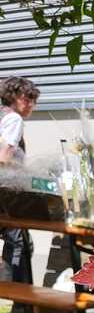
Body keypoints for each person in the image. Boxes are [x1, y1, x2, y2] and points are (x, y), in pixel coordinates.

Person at [0, 75, 39, 282]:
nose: (32, 104)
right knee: (19, 243)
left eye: (34, 99)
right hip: (6, 190)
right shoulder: (14, 119)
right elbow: (4, 156)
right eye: (27, 98)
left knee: (18, 240)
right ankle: (15, 294)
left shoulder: (2, 116)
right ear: (13, 97)